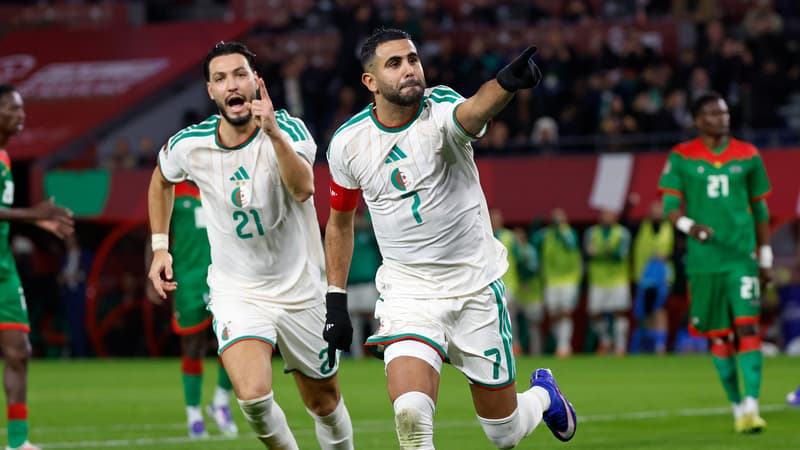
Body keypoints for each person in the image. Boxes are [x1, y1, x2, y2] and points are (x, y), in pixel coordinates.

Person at [323, 29, 576, 449]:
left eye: (412, 59)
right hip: (409, 294)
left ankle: (544, 395)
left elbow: (473, 111)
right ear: (370, 81)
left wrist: (505, 84)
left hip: (474, 287)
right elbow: (340, 222)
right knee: (410, 416)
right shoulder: (348, 143)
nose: (409, 69)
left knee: (504, 433)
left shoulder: (439, 108)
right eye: (394, 63)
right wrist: (335, 300)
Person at [147, 42, 353, 449]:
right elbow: (161, 179)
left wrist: (272, 133)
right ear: (211, 91)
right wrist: (159, 247)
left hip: (301, 289)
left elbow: (303, 188)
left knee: (324, 403)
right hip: (238, 291)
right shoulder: (191, 144)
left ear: (256, 82)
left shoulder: (289, 129)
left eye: (240, 74)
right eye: (220, 78)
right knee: (254, 398)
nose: (232, 85)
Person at [658, 91, 772, 434]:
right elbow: (670, 209)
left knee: (748, 326)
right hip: (704, 262)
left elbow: (761, 209)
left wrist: (765, 257)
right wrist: (690, 227)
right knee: (720, 336)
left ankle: (752, 406)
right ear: (698, 120)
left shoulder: (748, 155)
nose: (723, 118)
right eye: (713, 114)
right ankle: (737, 407)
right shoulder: (681, 157)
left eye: (724, 113)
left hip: (741, 257)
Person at [0, 84, 75, 450]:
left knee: (19, 350)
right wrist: (34, 215)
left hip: (3, 269)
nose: (21, 115)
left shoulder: (4, 158)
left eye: (22, 108)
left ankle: (18, 442)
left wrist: (36, 220)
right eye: (13, 109)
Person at [144, 180, 237, 439]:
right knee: (192, 345)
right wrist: (151, 277)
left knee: (233, 342)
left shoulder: (221, 184)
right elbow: (154, 236)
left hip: (224, 277)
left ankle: (220, 402)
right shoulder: (173, 190)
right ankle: (193, 414)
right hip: (188, 280)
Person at [532, 208, 582, 357]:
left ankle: (564, 346)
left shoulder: (569, 232)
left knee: (565, 312)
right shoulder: (547, 234)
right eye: (555, 218)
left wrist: (560, 229)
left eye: (560, 218)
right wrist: (536, 225)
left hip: (569, 278)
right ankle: (560, 343)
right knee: (554, 314)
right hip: (551, 279)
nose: (557, 221)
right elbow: (533, 240)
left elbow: (571, 243)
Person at [584, 209, 632, 356]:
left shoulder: (622, 233)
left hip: (618, 279)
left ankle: (620, 346)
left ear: (615, 217)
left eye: (609, 215)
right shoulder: (591, 232)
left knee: (619, 312)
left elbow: (621, 254)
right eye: (604, 215)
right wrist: (594, 253)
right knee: (595, 313)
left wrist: (604, 252)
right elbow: (587, 253)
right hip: (598, 279)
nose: (606, 218)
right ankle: (605, 341)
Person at [629, 199, 674, 354]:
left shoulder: (670, 228)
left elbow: (678, 249)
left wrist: (667, 256)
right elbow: (625, 223)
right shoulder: (641, 227)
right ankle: (649, 343)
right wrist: (629, 206)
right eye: (653, 210)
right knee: (645, 312)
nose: (656, 213)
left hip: (663, 278)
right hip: (643, 277)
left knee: (659, 309)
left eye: (659, 210)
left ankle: (660, 344)